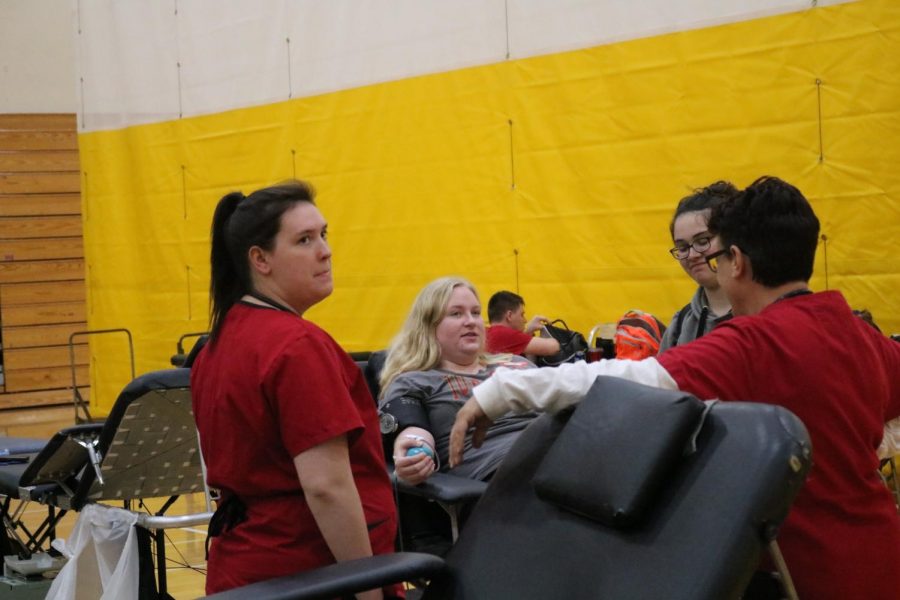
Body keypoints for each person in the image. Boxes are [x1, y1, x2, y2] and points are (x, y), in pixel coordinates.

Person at [450, 176, 900, 600]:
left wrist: (497, 393)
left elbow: (628, 381)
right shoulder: (860, 333)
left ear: (736, 262)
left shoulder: (750, 343)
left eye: (715, 254)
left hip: (808, 577)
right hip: (882, 555)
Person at [190, 181, 399, 598]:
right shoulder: (297, 346)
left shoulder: (218, 344)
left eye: (324, 234)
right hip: (308, 575)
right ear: (260, 259)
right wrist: (368, 589)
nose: (325, 250)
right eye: (304, 240)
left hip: (246, 573)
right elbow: (327, 487)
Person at [379, 277, 535, 484]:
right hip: (505, 472)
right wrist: (415, 453)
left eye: (476, 313)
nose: (470, 321)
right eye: (456, 313)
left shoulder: (515, 362)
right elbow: (411, 428)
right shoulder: (413, 380)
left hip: (562, 446)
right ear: (428, 326)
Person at [658, 181, 738, 353]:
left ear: (733, 238)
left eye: (702, 241)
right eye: (683, 248)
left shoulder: (764, 313)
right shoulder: (679, 326)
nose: (693, 255)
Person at [484, 290, 560, 358]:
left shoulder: (486, 333)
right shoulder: (503, 334)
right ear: (509, 316)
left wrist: (528, 332)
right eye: (522, 314)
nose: (525, 320)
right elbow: (553, 347)